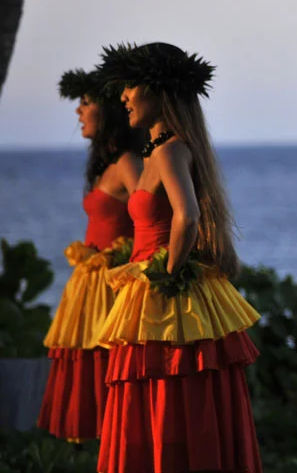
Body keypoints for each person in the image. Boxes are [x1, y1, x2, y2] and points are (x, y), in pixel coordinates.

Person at [95, 42, 262, 473]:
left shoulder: (170, 150)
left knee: (166, 395)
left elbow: (188, 217)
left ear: (160, 92)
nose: (124, 98)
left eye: (132, 87)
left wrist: (167, 275)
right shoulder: (159, 151)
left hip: (165, 295)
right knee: (160, 395)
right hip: (152, 290)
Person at [38, 68, 141, 442]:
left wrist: (127, 257)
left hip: (111, 285)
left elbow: (151, 211)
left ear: (109, 110)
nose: (79, 113)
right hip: (90, 285)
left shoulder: (129, 162)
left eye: (85, 103)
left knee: (108, 369)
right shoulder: (108, 166)